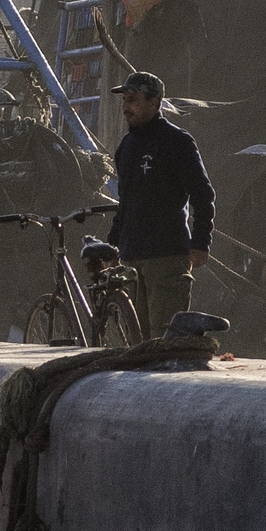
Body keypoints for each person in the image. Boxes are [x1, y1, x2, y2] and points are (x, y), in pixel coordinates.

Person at [103, 71, 214, 339]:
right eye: (124, 100)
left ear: (154, 103)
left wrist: (200, 242)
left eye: (132, 100)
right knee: (134, 341)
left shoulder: (177, 142)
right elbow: (125, 202)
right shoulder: (126, 146)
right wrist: (112, 245)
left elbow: (202, 193)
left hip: (166, 257)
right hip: (132, 259)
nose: (125, 107)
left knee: (165, 339)